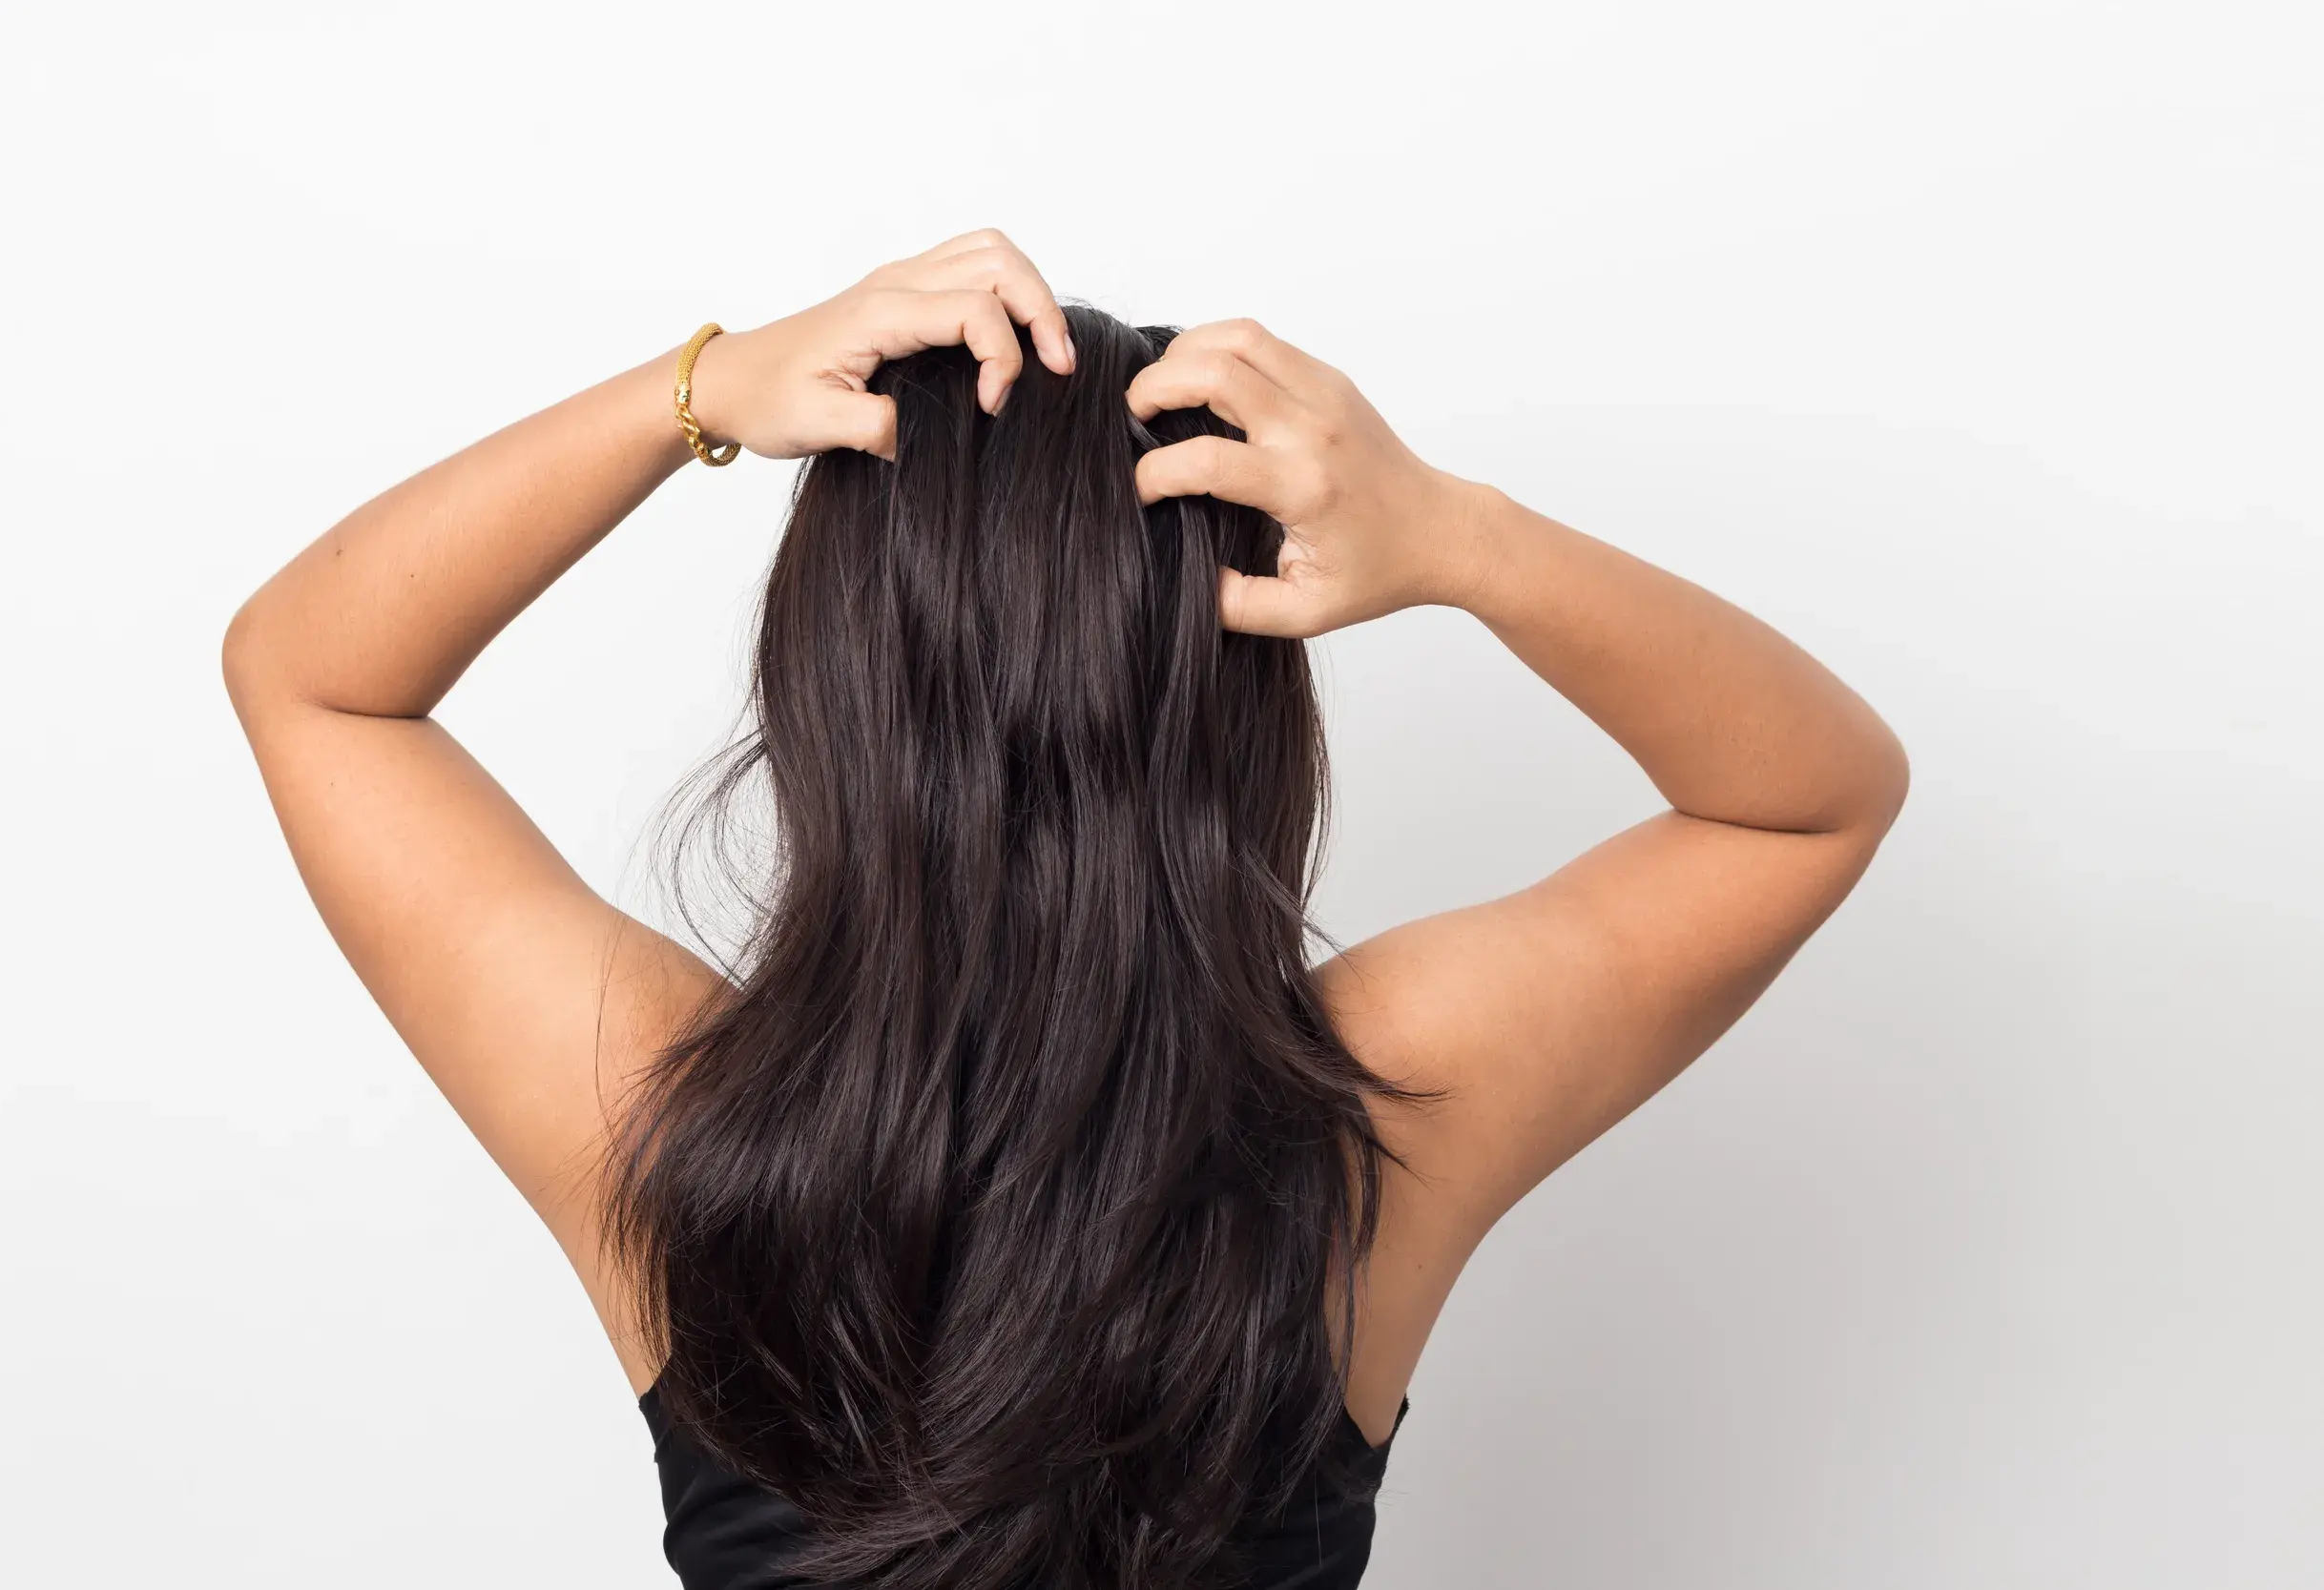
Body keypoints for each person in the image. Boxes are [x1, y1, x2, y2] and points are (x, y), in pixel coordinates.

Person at [221, 229, 1909, 1590]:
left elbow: (312, 679)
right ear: (1236, 693)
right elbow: (1808, 796)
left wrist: (703, 391)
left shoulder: (658, 1117)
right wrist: (1450, 533)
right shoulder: (1370, 1129)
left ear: (833, 678)